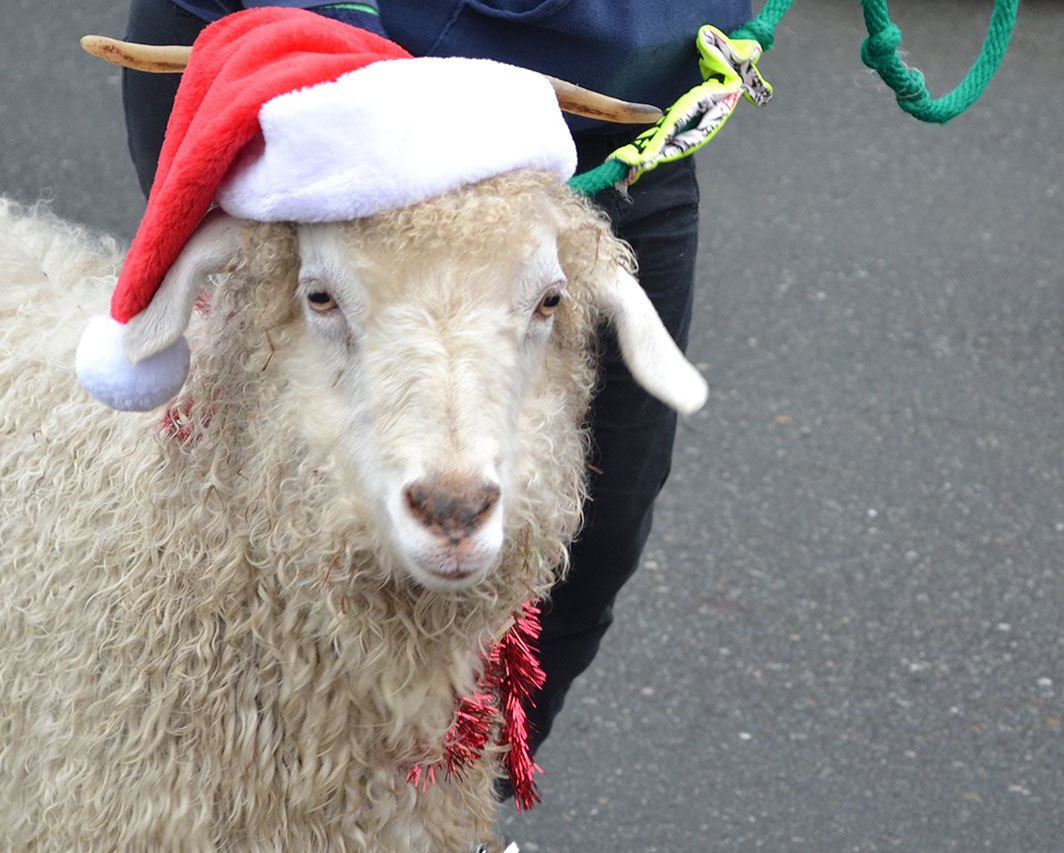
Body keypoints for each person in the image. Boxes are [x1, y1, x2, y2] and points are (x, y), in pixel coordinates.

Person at [120, 0, 749, 791]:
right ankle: (245, 802)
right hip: (315, 92)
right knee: (259, 512)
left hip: (604, 115)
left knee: (596, 525)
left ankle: (443, 807)